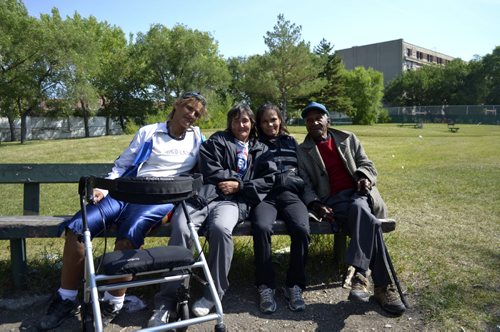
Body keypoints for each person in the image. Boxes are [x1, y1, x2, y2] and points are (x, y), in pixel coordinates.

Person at [39, 92, 208, 330]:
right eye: (189, 108)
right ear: (177, 105)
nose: (192, 115)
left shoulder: (198, 138)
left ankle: (113, 303)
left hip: (160, 197)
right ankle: (65, 298)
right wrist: (103, 189)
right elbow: (123, 165)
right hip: (125, 191)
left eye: (197, 113)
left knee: (130, 234)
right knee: (78, 227)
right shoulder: (148, 132)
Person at [148, 102, 276, 326]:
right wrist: (236, 178)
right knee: (181, 227)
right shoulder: (218, 140)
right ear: (230, 123)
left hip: (233, 202)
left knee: (220, 229)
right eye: (235, 120)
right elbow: (209, 168)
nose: (240, 125)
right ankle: (168, 299)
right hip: (203, 197)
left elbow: (267, 180)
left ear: (252, 123)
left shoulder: (261, 150)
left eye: (245, 120)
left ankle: (213, 293)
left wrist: (239, 186)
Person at [297, 101, 406, 316]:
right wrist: (316, 204)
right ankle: (381, 287)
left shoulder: (348, 138)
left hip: (359, 194)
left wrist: (364, 178)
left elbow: (367, 164)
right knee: (370, 222)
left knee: (360, 209)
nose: (314, 122)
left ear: (328, 120)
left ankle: (361, 275)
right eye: (309, 120)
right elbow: (305, 184)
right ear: (306, 126)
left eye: (319, 117)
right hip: (333, 200)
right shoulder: (302, 151)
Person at [250, 103, 310, 314]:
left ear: (280, 120)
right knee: (262, 226)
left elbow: (304, 170)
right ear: (259, 124)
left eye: (273, 119)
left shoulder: (291, 142)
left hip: (291, 195)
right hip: (265, 197)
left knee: (302, 228)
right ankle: (265, 286)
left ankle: (294, 286)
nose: (270, 124)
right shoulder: (255, 144)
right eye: (265, 121)